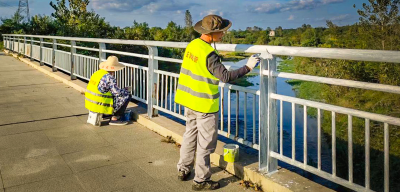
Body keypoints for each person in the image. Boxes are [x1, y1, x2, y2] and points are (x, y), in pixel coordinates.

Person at [174, 14, 260, 191]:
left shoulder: (193, 45)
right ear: (211, 33)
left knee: (190, 135)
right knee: (205, 144)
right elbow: (226, 76)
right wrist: (248, 67)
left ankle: (183, 169)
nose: (223, 35)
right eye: (221, 32)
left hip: (188, 100)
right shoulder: (209, 54)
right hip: (204, 104)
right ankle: (200, 180)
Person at [85, 56, 131, 125]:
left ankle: (105, 114)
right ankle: (114, 118)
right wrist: (125, 90)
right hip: (100, 104)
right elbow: (117, 93)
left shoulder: (97, 73)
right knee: (127, 95)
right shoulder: (109, 77)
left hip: (91, 103)